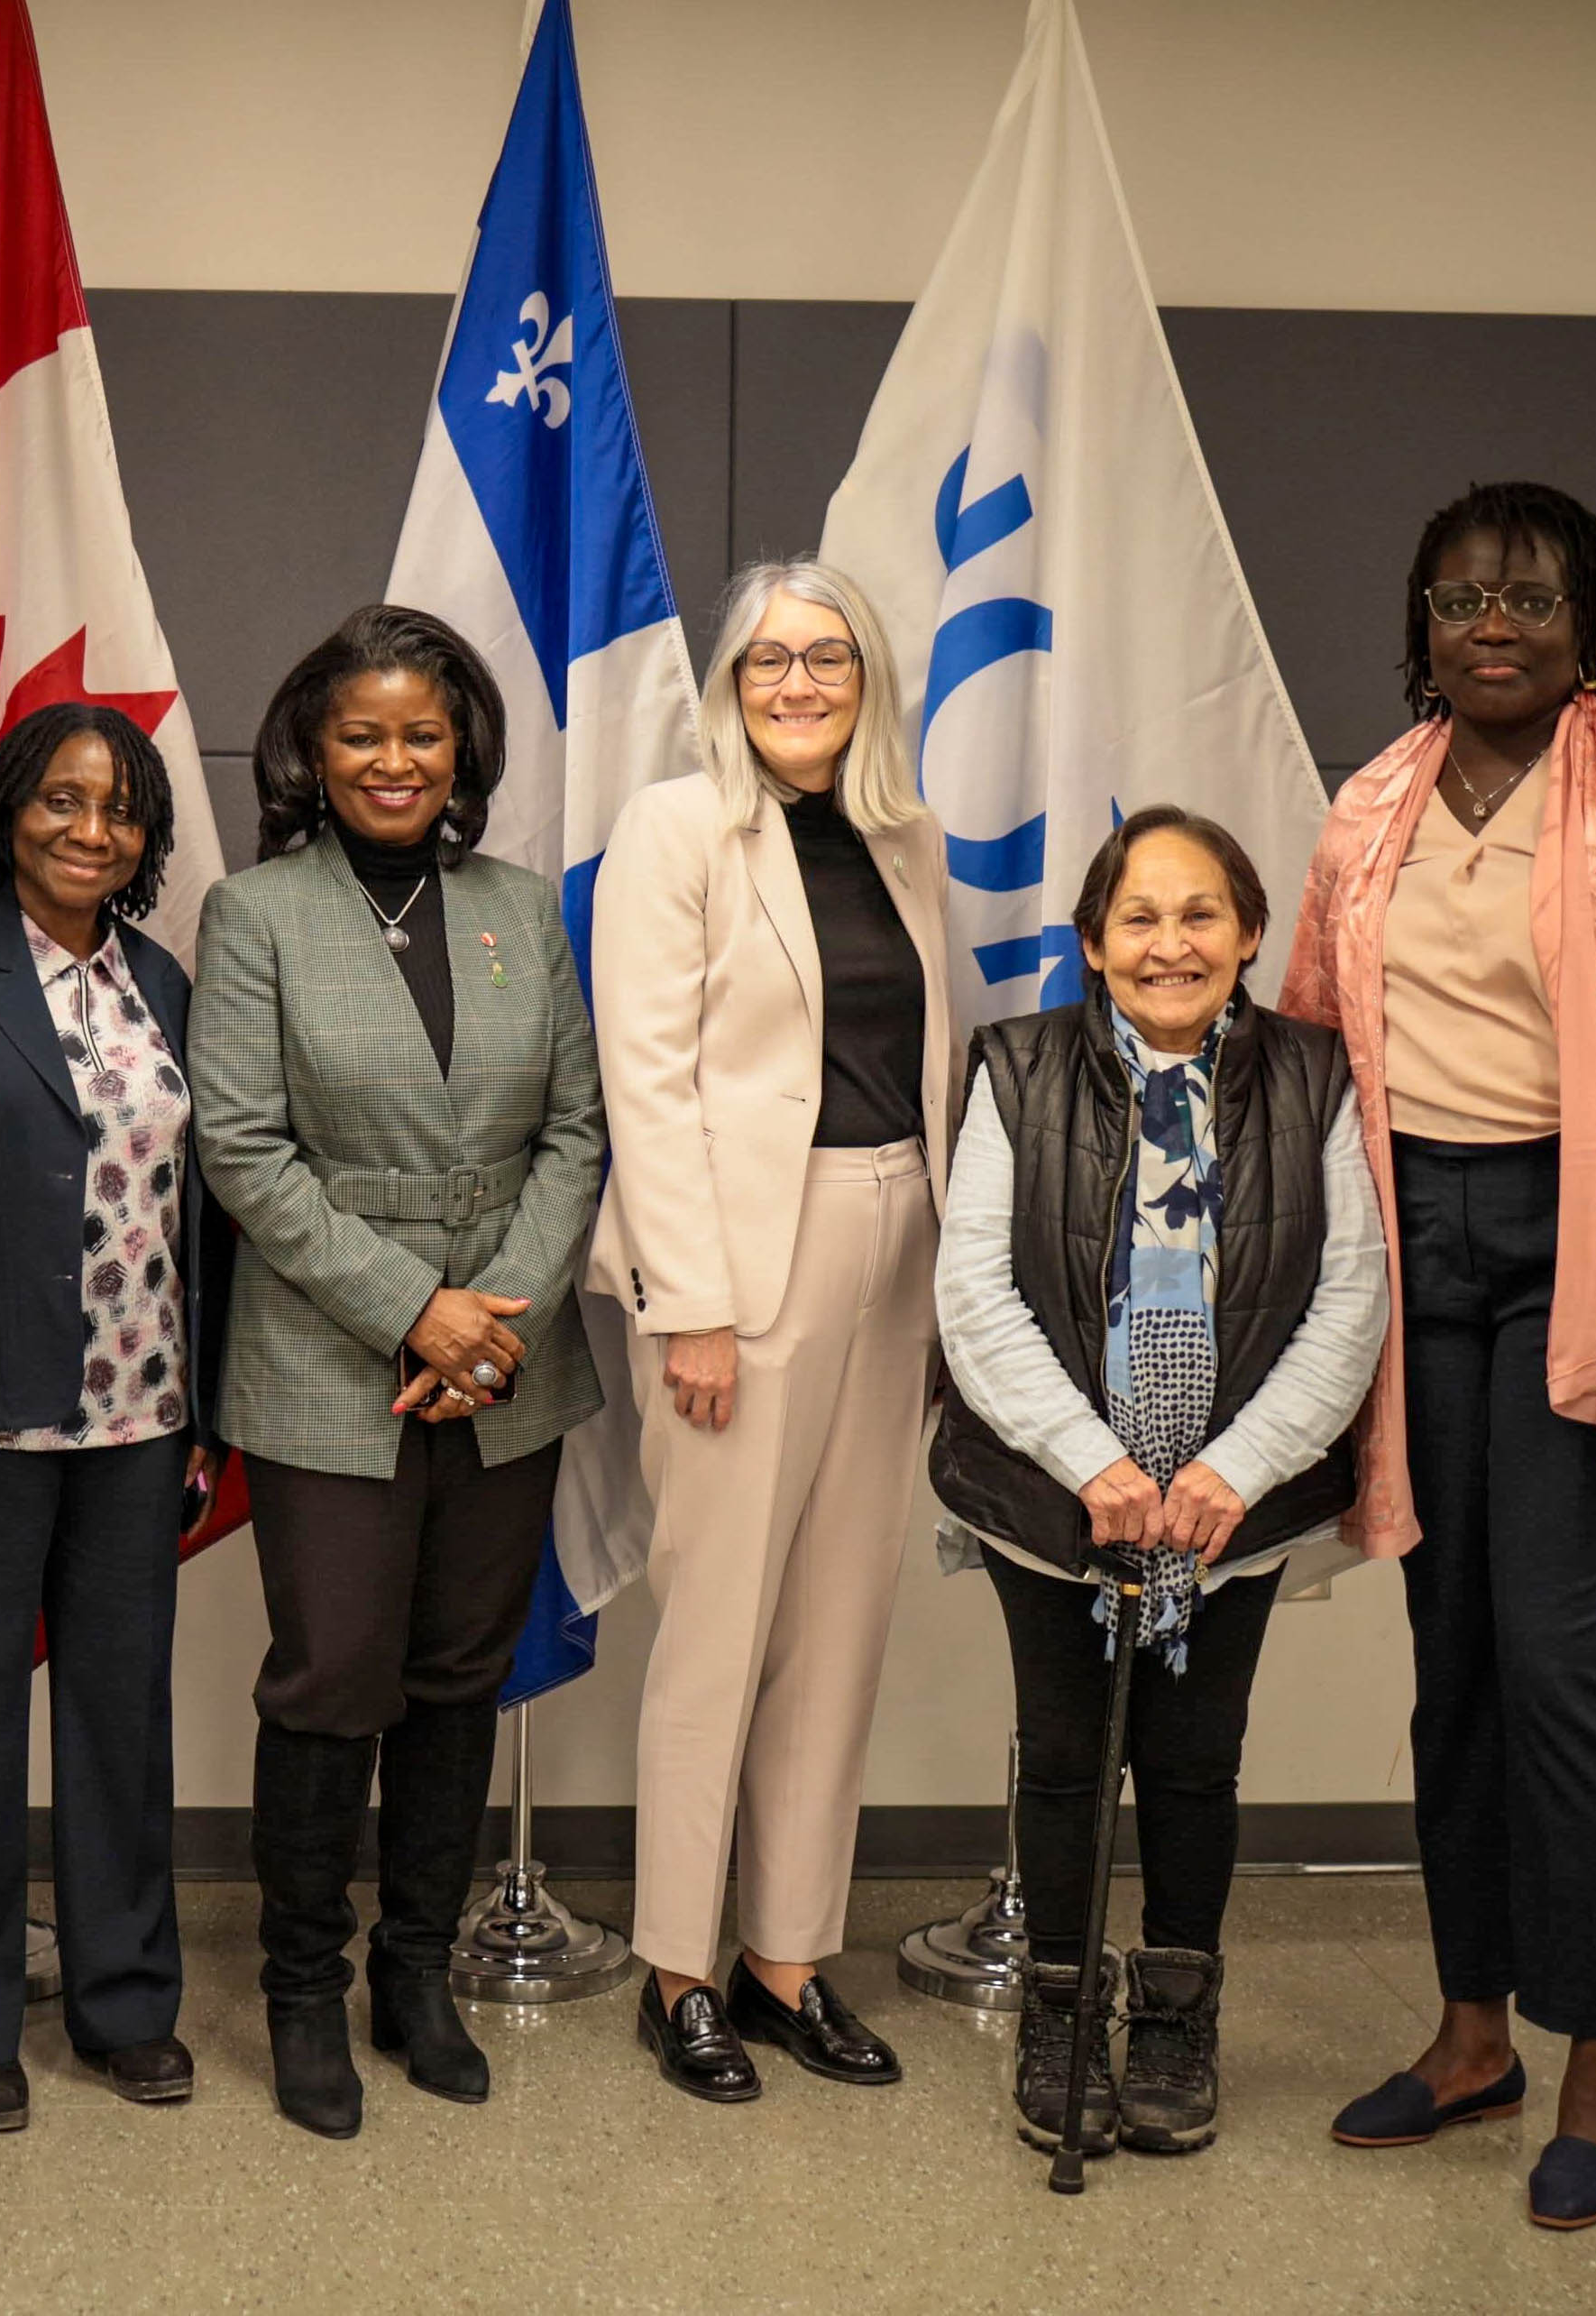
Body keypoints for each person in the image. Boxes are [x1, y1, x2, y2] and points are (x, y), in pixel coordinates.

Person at [1288, 482, 1596, 2231]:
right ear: (1418, 620)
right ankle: (1472, 2031)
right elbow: (1310, 1059)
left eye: (1533, 598)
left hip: (1586, 1257)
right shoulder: (1370, 807)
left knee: (1563, 1670)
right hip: (1410, 1251)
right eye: (1460, 598)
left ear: (1591, 625)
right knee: (1456, 1665)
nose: (1494, 625)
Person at [190, 604, 606, 2140]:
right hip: (326, 1367)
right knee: (332, 1679)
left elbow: (574, 1127)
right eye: (361, 733)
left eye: (420, 733)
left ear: (461, 750)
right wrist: (415, 1311)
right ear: (313, 746)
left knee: (455, 1678)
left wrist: (494, 1319)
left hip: (511, 1370)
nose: (391, 758)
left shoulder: (517, 905)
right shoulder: (256, 915)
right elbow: (240, 1148)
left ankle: (412, 1974)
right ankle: (303, 1988)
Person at [931, 807, 1387, 2161]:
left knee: (1194, 1765)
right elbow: (975, 1293)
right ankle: (1063, 2011)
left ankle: (1178, 2009)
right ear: (1091, 942)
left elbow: (1352, 1297)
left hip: (1227, 1516)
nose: (1171, 942)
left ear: (1250, 936)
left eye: (1202, 916)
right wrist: (1098, 1468)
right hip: (1058, 1502)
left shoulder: (1320, 1077)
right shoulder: (1014, 1069)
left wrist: (1231, 1473)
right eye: (1139, 916)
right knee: (1066, 1762)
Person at [585, 561, 954, 2105]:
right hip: (747, 1260)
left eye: (829, 657)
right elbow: (647, 1080)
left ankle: (788, 1957)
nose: (799, 684)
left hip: (897, 1248)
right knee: (720, 1627)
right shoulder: (677, 831)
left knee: (839, 1626)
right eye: (768, 661)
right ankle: (679, 1967)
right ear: (730, 683)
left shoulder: (905, 838)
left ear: (868, 674)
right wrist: (699, 1310)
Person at [0, 703, 227, 2134]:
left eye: (120, 809)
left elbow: (203, 1206)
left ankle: (126, 2004)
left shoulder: (166, 984)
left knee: (121, 1728)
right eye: (63, 800)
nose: (91, 828)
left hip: (141, 1421)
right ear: (12, 807)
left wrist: (204, 1410)